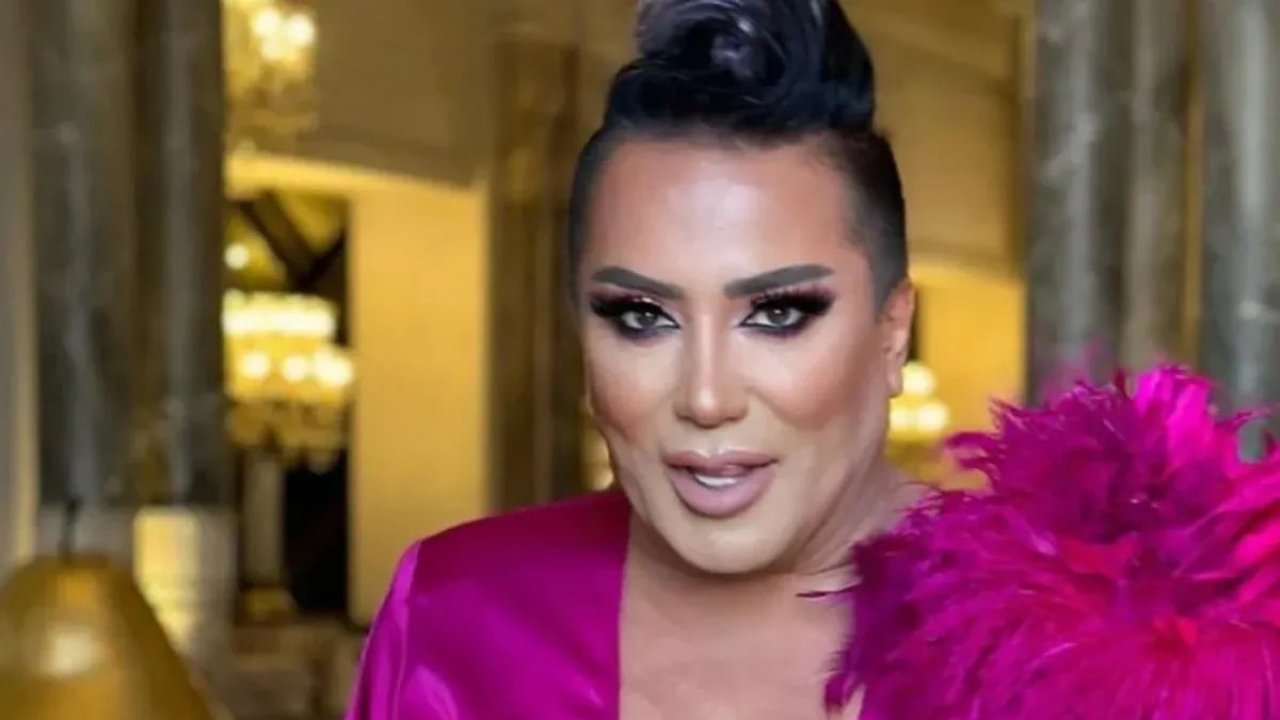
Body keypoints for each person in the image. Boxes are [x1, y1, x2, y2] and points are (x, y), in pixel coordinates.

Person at [345, 0, 916, 716]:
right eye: (643, 317)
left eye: (776, 314)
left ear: (892, 332)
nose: (706, 398)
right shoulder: (454, 617)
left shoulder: (1040, 635)